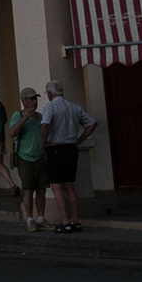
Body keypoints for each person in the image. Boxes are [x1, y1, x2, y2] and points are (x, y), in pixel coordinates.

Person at [39, 79, 97, 233]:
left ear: (50, 93)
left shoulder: (50, 107)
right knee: (70, 186)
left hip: (55, 148)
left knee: (56, 186)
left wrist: (43, 143)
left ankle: (65, 221)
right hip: (71, 148)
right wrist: (79, 139)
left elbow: (45, 125)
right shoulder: (74, 107)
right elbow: (92, 123)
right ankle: (75, 219)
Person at [7, 88, 48, 231]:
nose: (34, 101)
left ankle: (41, 218)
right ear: (24, 101)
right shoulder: (17, 115)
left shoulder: (41, 116)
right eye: (30, 99)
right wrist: (24, 118)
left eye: (35, 99)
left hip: (41, 157)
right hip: (25, 157)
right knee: (28, 190)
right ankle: (30, 219)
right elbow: (11, 133)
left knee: (42, 190)